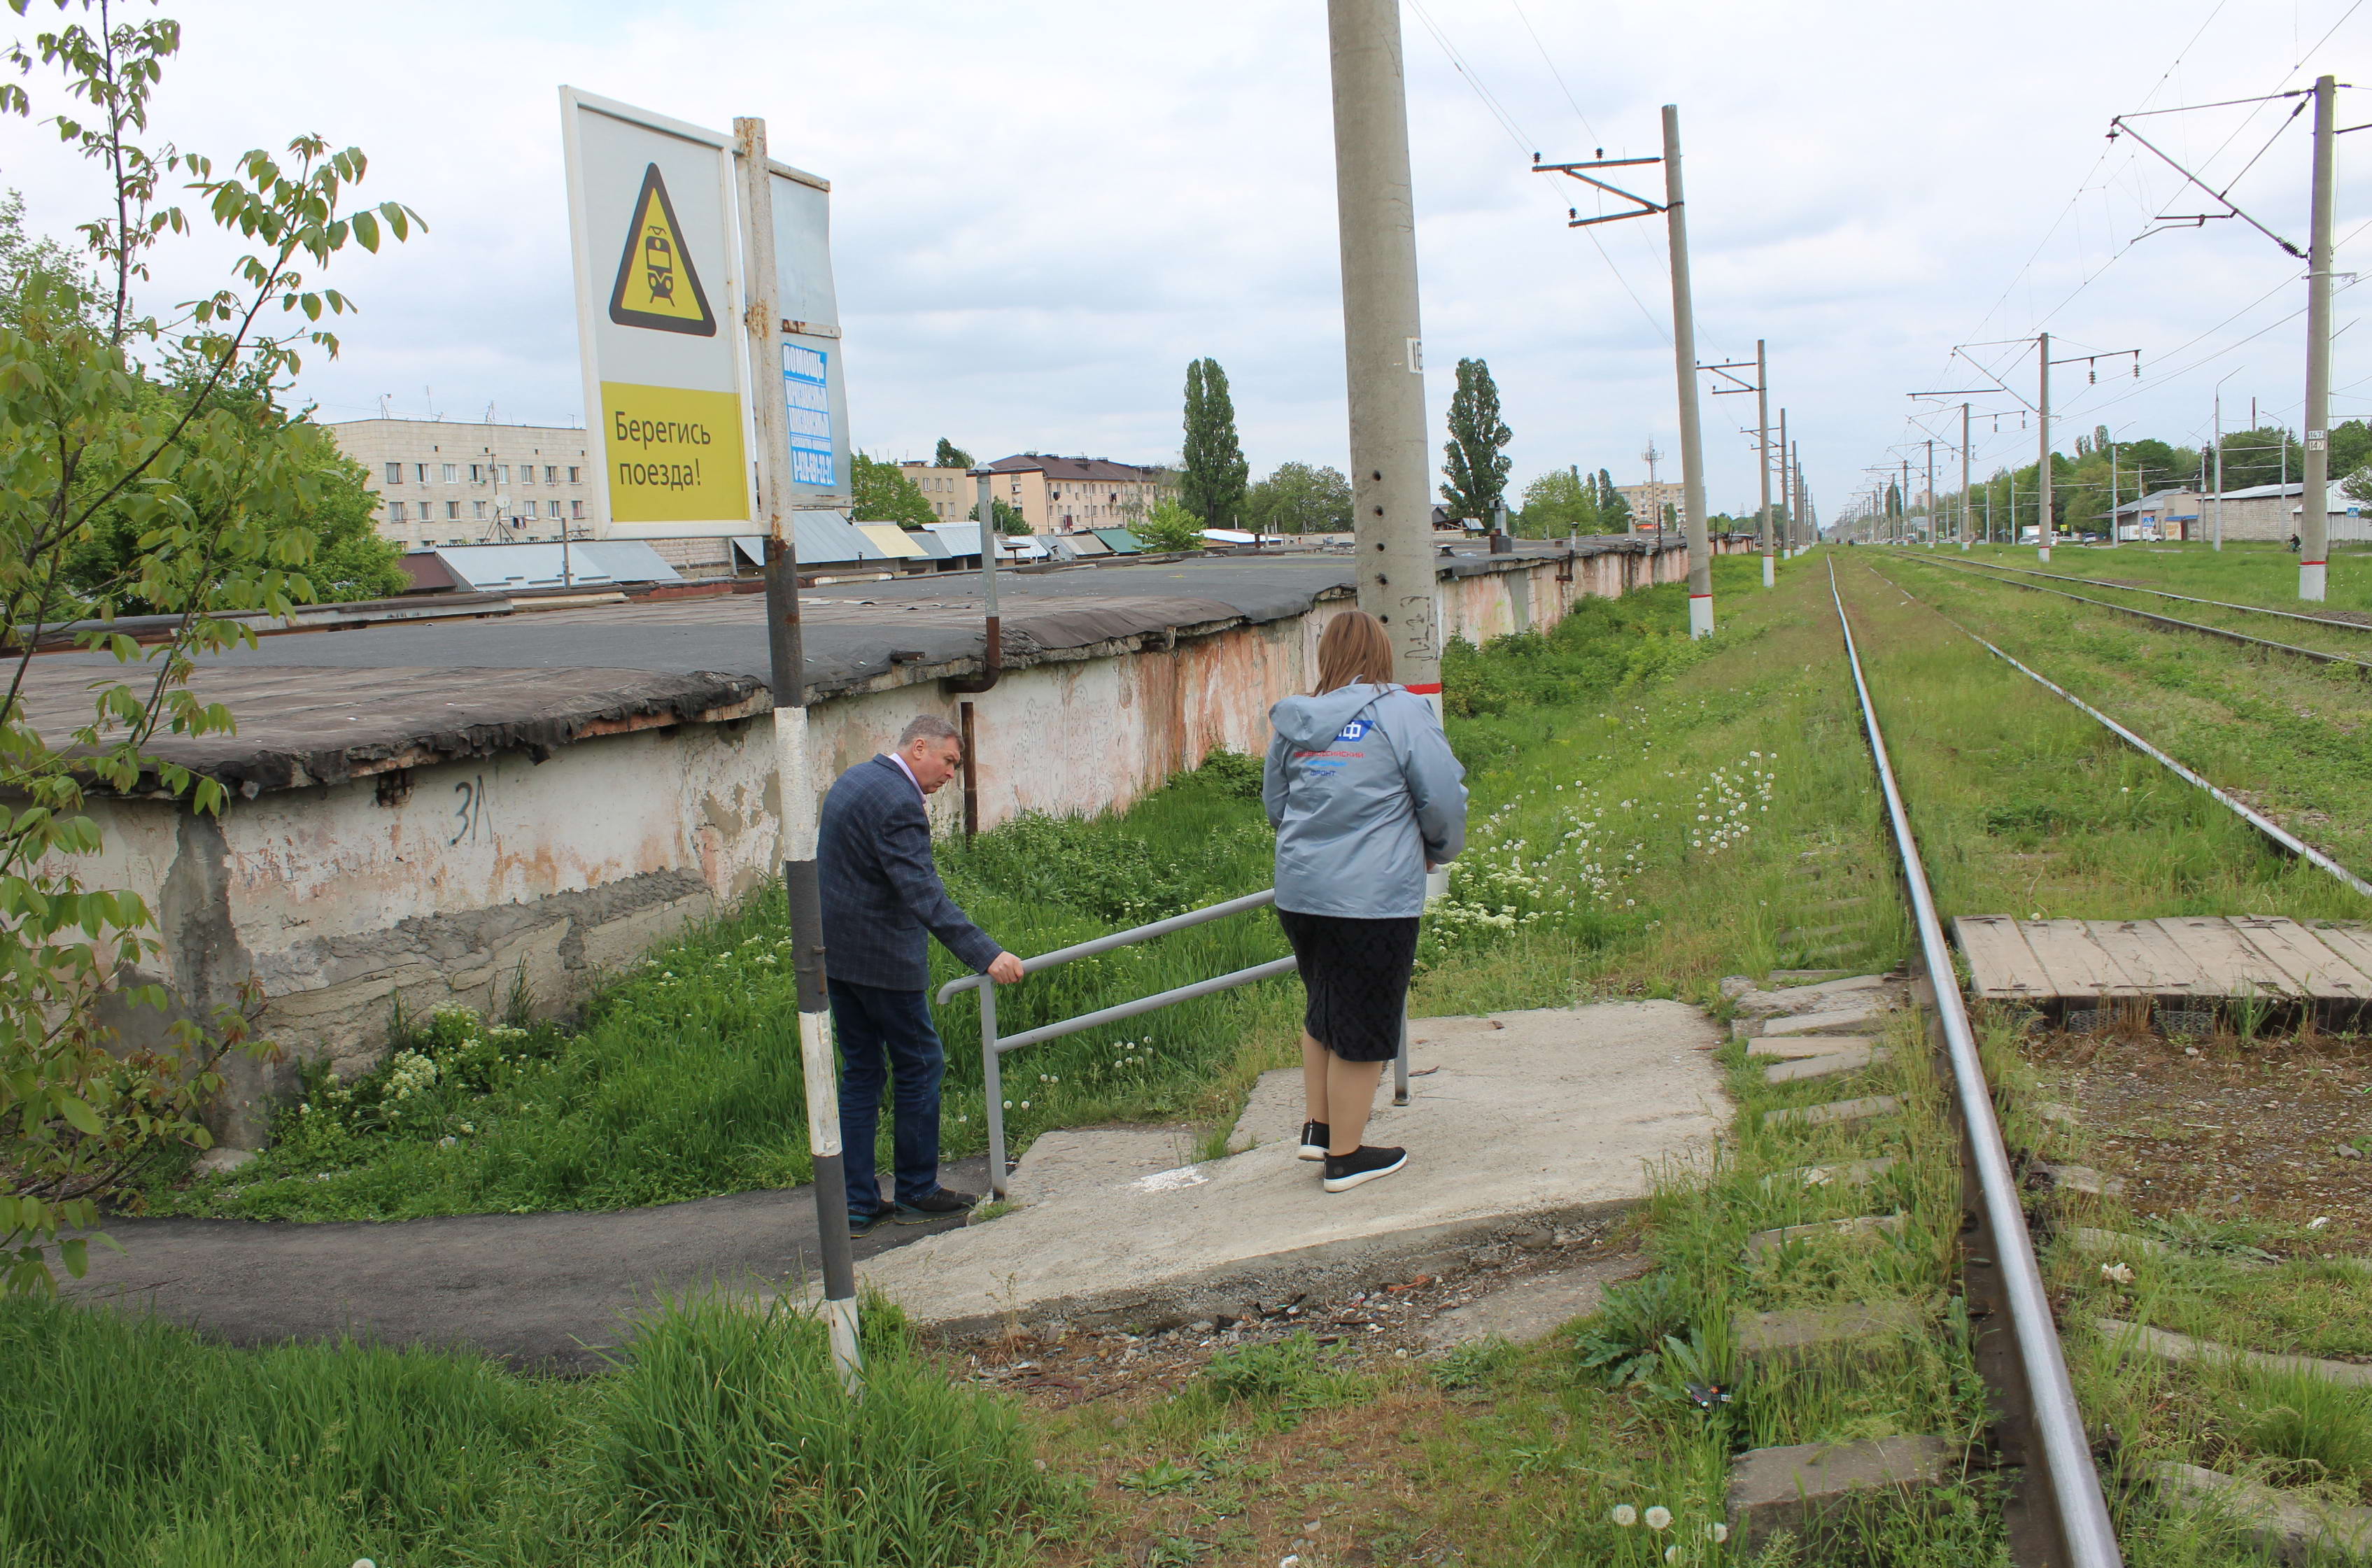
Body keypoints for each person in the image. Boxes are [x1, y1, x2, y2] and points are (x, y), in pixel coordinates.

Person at [1263, 611, 1467, 1193]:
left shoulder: (1297, 718)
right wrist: (1438, 849)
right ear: (1382, 652)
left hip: (1302, 892)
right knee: (1366, 1019)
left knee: (1325, 1006)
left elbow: (1276, 804)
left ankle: (1319, 1128)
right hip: (1374, 896)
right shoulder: (1402, 712)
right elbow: (1442, 798)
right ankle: (1346, 1158)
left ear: (1326, 655)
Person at [819, 714, 1026, 1236]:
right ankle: (916, 1190)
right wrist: (985, 953)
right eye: (949, 761)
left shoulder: (854, 780)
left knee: (861, 1073)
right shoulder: (899, 804)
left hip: (839, 957)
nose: (951, 774)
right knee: (920, 1064)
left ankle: (857, 1205)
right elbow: (923, 894)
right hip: (884, 962)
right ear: (918, 747)